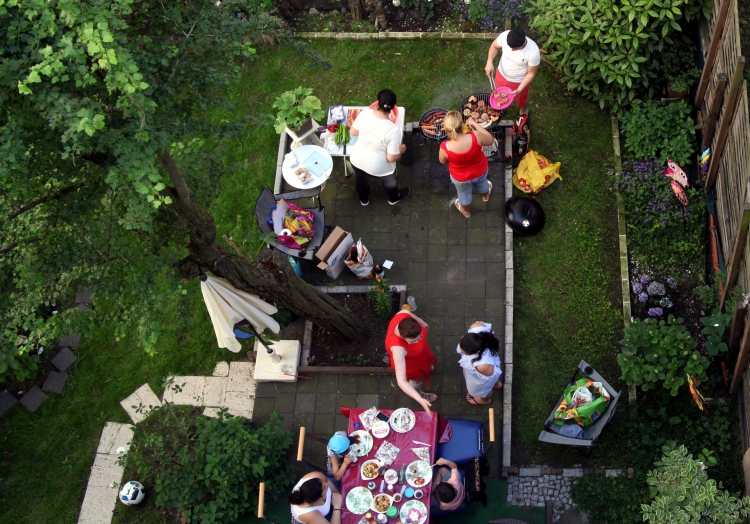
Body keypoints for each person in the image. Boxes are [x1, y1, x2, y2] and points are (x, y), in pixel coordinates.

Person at [349, 89, 410, 206]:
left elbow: (353, 132)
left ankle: (364, 200)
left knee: (361, 180)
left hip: (357, 160)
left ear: (377, 102)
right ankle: (393, 199)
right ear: (392, 108)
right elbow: (391, 158)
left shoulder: (365, 113)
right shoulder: (393, 130)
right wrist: (401, 149)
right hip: (379, 167)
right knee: (390, 183)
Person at [438, 112, 495, 218]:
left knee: (464, 195)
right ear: (462, 125)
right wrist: (474, 124)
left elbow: (442, 161)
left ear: (447, 129)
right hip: (480, 171)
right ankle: (485, 196)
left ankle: (466, 212)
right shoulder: (476, 136)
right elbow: (490, 139)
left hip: (460, 178)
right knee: (483, 184)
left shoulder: (445, 147)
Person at [385, 308, 438, 417]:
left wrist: (423, 322)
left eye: (420, 337)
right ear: (403, 337)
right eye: (414, 341)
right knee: (416, 382)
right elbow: (401, 381)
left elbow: (408, 312)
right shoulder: (398, 349)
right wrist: (420, 400)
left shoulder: (403, 316)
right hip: (412, 367)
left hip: (422, 356)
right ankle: (420, 393)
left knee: (428, 366)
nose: (419, 340)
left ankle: (427, 367)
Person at [484, 28, 540, 116]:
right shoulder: (505, 35)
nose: (512, 50)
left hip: (519, 81)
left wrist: (519, 89)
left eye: (514, 49)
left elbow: (531, 73)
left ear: (523, 43)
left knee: (522, 98)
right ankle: (502, 108)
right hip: (501, 74)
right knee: (498, 95)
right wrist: (489, 62)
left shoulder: (533, 52)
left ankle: (523, 110)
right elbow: (494, 46)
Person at [457, 321, 502, 405]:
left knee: (484, 389)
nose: (461, 352)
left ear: (478, 351)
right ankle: (497, 384)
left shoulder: (482, 366)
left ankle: (484, 400)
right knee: (493, 379)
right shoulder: (477, 327)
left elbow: (490, 377)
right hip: (491, 366)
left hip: (486, 375)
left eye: (464, 352)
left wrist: (485, 387)